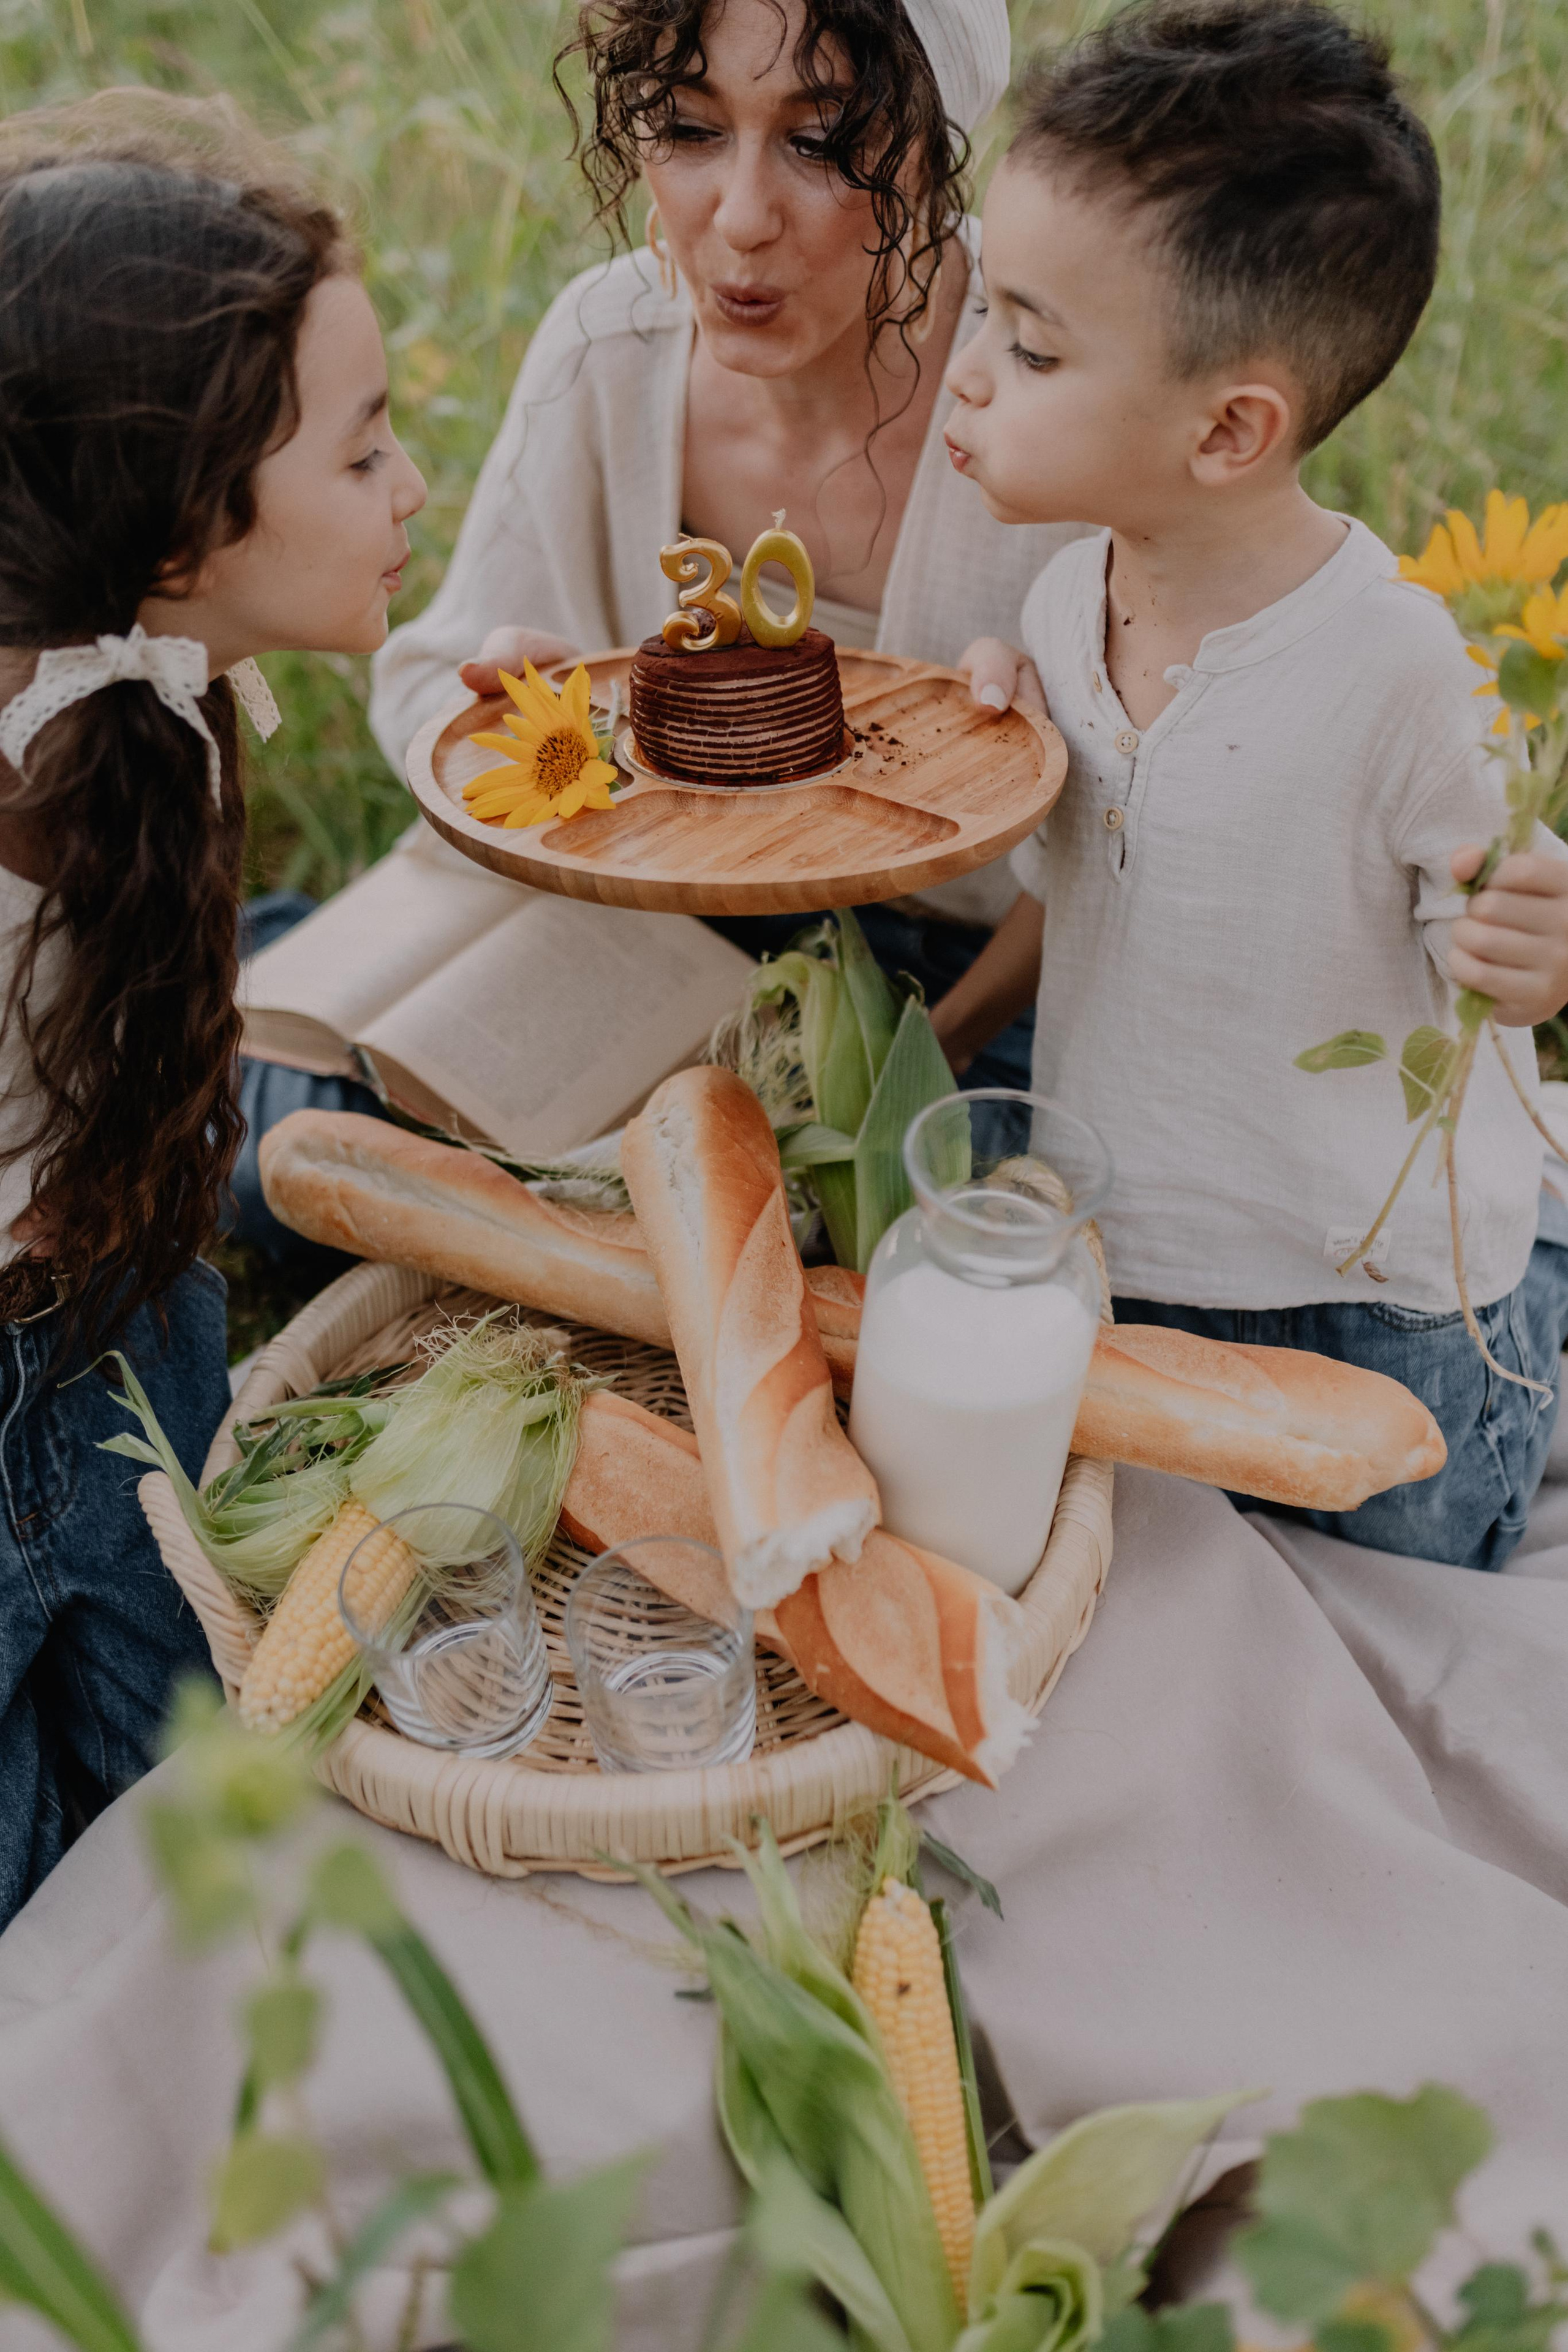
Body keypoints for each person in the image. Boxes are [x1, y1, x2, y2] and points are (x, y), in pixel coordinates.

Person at [930, 0, 1568, 1571]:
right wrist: (935, 1048)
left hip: (1366, 1307)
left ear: (1228, 428)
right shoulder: (1058, 611)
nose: (966, 374)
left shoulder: (1403, 671)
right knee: (1142, 1592)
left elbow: (1509, 921)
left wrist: (1539, 945)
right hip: (1124, 1261)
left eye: (1026, 344)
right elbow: (1071, 901)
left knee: (1388, 1603)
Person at [0, 95, 426, 1924]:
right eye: (365, 453)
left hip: (127, 1269)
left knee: (190, 1784)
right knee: (54, 1894)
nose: (411, 485)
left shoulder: (162, 669)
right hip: (22, 1350)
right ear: (183, 531)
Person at [360, 0, 1084, 1057]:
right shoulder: (609, 345)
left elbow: (1160, 801)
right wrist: (532, 717)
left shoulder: (1056, 382)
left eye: (821, 142)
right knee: (272, 1131)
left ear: (934, 152)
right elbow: (432, 684)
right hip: (649, 931)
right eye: (691, 130)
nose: (741, 217)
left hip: (971, 982)